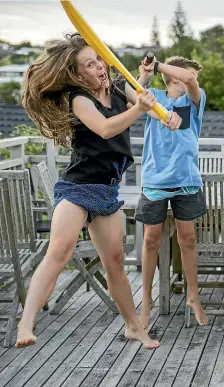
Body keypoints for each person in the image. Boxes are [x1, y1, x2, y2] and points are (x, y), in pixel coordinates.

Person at [16, 32, 181, 349]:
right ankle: (26, 323)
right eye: (89, 64)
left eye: (99, 60)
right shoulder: (80, 98)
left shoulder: (119, 90)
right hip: (78, 188)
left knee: (115, 263)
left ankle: (133, 327)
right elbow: (106, 129)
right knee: (60, 252)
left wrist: (166, 116)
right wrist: (140, 109)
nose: (99, 67)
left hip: (107, 191)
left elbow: (149, 105)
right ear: (78, 75)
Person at [134, 56, 209, 329]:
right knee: (151, 240)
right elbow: (129, 92)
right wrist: (144, 74)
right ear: (174, 76)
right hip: (154, 180)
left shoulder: (194, 100)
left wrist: (157, 65)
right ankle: (146, 298)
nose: (194, 79)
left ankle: (193, 296)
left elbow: (190, 81)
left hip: (186, 181)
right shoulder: (152, 96)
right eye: (190, 73)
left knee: (187, 239)